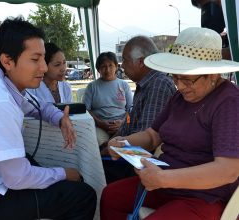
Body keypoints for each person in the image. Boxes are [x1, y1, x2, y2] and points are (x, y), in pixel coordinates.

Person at [0, 17, 96, 220]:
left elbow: (37, 107)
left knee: (34, 163)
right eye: (35, 59)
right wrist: (64, 173)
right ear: (7, 61)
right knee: (82, 195)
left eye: (44, 59)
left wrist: (59, 118)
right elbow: (17, 179)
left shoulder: (1, 84)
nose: (44, 68)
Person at [100, 27, 239, 220]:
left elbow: (228, 170)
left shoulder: (229, 102)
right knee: (111, 197)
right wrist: (125, 143)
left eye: (188, 80)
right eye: (176, 77)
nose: (180, 86)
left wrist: (164, 179)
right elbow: (152, 135)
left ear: (213, 74)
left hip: (205, 196)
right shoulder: (179, 98)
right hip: (165, 183)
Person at [101, 36, 176, 183]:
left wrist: (111, 149)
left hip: (138, 163)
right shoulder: (146, 84)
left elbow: (145, 143)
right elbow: (131, 125)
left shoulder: (158, 85)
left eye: (126, 61)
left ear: (141, 62)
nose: (122, 66)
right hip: (127, 152)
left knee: (92, 171)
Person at [83, 52, 133, 146]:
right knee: (97, 143)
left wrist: (123, 123)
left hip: (122, 125)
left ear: (116, 67)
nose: (108, 70)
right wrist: (101, 123)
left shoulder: (124, 85)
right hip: (99, 127)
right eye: (103, 66)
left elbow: (131, 109)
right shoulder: (92, 87)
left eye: (111, 65)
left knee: (127, 144)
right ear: (98, 69)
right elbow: (86, 110)